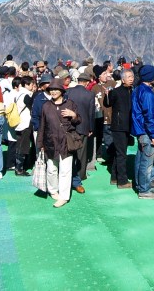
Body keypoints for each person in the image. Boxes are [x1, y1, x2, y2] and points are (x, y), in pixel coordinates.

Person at [39, 78, 80, 208]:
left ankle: (64, 196)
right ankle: (53, 190)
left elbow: (79, 121)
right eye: (51, 90)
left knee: (65, 170)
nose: (54, 92)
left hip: (66, 142)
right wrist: (39, 144)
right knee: (51, 169)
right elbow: (42, 126)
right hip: (50, 142)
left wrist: (73, 115)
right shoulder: (46, 106)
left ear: (62, 91)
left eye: (56, 89)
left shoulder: (70, 104)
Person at [132, 65, 154, 199]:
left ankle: (139, 185)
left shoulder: (137, 89)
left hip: (139, 130)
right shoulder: (148, 93)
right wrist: (153, 135)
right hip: (146, 132)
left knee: (140, 160)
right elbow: (149, 115)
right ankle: (144, 190)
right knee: (147, 162)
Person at [66, 71, 96, 194]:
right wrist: (91, 128)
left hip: (69, 126)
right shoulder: (90, 94)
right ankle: (80, 175)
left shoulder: (69, 92)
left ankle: (68, 176)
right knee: (81, 153)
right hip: (83, 126)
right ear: (87, 82)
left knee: (69, 152)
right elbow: (91, 113)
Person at [105, 70, 134, 188]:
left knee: (119, 153)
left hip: (127, 126)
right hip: (119, 127)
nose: (131, 78)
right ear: (123, 79)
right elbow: (107, 104)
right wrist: (107, 94)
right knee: (122, 154)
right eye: (128, 77)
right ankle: (122, 181)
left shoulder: (132, 91)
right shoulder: (116, 92)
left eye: (132, 76)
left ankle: (114, 177)